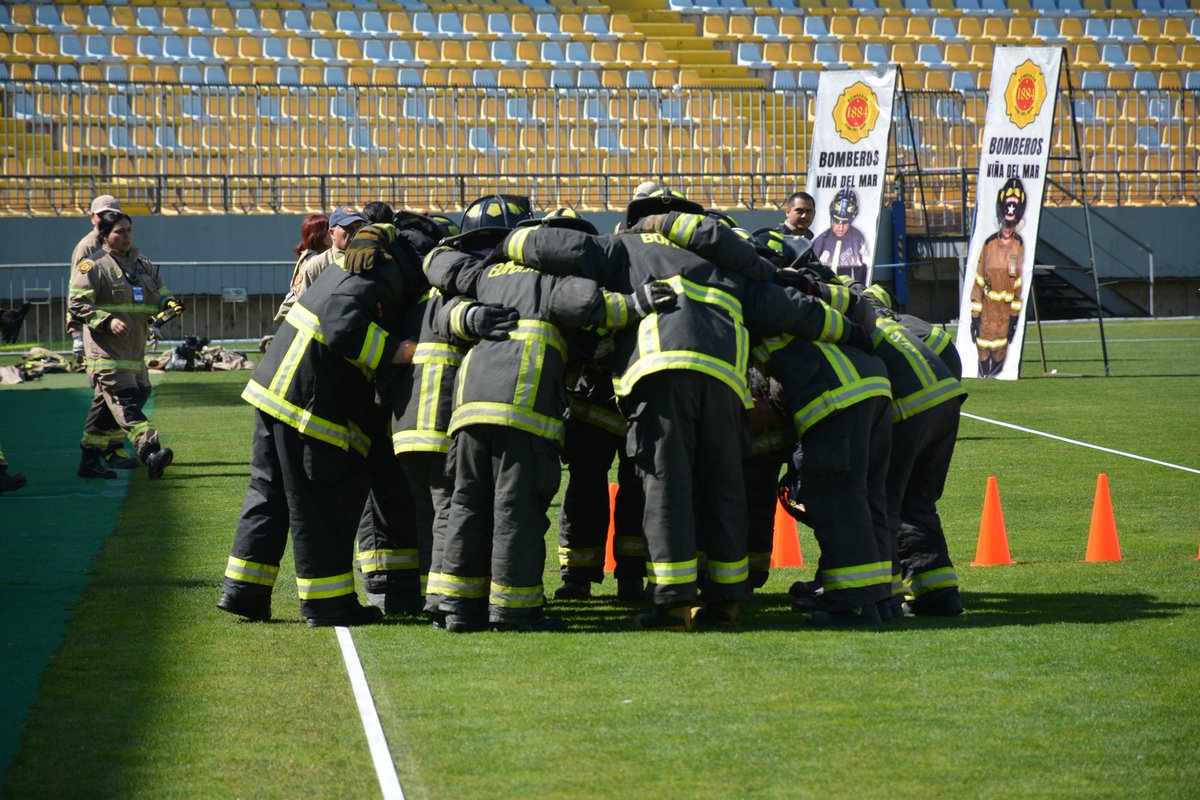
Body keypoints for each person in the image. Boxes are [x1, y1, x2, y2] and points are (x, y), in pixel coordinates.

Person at [504, 190, 873, 631]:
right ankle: (727, 601)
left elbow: (561, 247)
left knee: (667, 486)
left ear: (635, 221)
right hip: (724, 382)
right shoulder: (724, 264)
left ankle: (673, 602)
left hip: (661, 374)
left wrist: (506, 243)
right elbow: (789, 310)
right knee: (723, 485)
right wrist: (854, 331)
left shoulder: (622, 247)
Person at [432, 199, 673, 633]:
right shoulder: (555, 280)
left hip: (468, 411)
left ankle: (459, 608)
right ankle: (514, 609)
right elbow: (591, 308)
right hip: (522, 409)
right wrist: (638, 303)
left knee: (467, 503)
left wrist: (467, 316)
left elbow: (441, 281)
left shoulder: (490, 273)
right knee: (516, 508)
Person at [218, 215, 429, 627]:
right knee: (322, 500)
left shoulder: (372, 261)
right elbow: (343, 326)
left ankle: (244, 591)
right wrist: (396, 351)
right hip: (308, 400)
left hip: (276, 389)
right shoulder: (387, 274)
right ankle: (328, 604)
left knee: (270, 493)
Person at [69, 211, 178, 480]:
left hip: (134, 352)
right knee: (127, 403)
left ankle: (90, 460)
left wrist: (168, 307)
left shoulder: (142, 265)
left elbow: (161, 295)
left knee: (115, 403)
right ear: (105, 236)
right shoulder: (92, 266)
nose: (126, 235)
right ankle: (150, 451)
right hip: (106, 353)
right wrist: (107, 321)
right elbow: (77, 303)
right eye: (119, 231)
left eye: (129, 230)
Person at [970, 177, 1026, 378]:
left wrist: (1014, 319)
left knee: (1000, 353)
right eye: (1004, 224)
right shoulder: (989, 244)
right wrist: (974, 316)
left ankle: (993, 377)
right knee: (983, 349)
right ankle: (983, 375)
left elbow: (1018, 285)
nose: (1007, 228)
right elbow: (979, 280)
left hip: (1005, 315)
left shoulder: (1019, 246)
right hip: (987, 311)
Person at [273, 205, 364, 323]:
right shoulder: (316, 264)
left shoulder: (369, 259)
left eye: (359, 227)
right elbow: (298, 307)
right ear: (331, 233)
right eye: (349, 228)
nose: (355, 232)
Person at [69, 195, 122, 364]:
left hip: (119, 322)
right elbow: (76, 291)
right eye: (102, 215)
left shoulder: (120, 243)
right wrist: (76, 332)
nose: (107, 220)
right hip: (96, 323)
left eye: (111, 215)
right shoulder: (88, 247)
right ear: (92, 217)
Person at [274, 214, 331, 324]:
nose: (332, 232)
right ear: (318, 235)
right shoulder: (312, 260)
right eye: (328, 229)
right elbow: (302, 295)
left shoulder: (312, 255)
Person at [811, 188, 871, 284]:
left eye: (845, 222)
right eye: (836, 222)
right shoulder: (820, 240)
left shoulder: (858, 239)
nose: (840, 227)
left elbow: (861, 270)